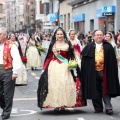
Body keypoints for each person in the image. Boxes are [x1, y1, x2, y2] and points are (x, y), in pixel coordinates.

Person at [37, 27, 86, 112]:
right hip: (54, 67)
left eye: (61, 34)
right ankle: (56, 104)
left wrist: (73, 64)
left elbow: (71, 56)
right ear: (55, 35)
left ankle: (63, 104)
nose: (59, 36)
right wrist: (44, 68)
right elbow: (48, 57)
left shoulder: (68, 44)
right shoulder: (53, 44)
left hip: (65, 67)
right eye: (58, 34)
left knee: (65, 84)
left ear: (64, 35)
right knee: (54, 85)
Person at [81, 30, 120, 115]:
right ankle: (98, 107)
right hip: (93, 72)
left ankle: (108, 107)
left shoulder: (108, 46)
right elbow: (84, 60)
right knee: (95, 90)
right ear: (94, 36)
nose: (99, 36)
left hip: (105, 72)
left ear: (103, 36)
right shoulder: (89, 46)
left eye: (100, 35)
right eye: (97, 35)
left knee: (105, 89)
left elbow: (113, 61)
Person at [0, 28, 21, 119]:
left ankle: (6, 112)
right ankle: (5, 107)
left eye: (0, 34)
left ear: (5, 35)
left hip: (8, 71)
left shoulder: (11, 45)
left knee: (8, 94)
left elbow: (16, 59)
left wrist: (15, 72)